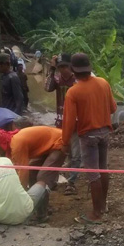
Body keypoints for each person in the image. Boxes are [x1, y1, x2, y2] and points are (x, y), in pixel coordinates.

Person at [62, 53, 117, 224]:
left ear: (73, 70)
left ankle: (96, 213)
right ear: (89, 68)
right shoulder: (103, 83)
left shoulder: (73, 92)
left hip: (88, 136)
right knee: (103, 169)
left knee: (93, 174)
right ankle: (104, 205)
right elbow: (113, 108)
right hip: (104, 133)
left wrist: (65, 142)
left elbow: (69, 122)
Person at [0, 126, 65, 191]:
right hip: (47, 146)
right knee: (32, 172)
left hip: (60, 142)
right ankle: (35, 200)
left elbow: (23, 171)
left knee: (43, 178)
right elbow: (19, 168)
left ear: (0, 144)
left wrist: (20, 193)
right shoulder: (12, 141)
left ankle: (41, 202)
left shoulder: (16, 145)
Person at [44, 53, 80, 195]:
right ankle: (54, 179)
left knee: (76, 154)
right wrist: (52, 69)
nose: (63, 69)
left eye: (65, 66)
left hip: (77, 122)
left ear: (71, 66)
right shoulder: (57, 79)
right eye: (60, 67)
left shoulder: (77, 80)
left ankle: (71, 182)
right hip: (61, 121)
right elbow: (47, 88)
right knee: (60, 152)